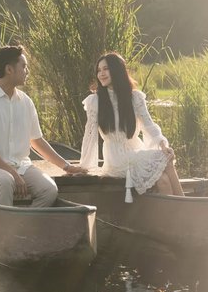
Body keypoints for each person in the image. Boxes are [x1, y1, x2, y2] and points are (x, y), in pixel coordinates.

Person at [0, 45, 86, 207]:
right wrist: (12, 173)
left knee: (49, 189)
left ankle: (25, 226)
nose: (27, 71)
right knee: (4, 181)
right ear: (9, 69)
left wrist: (66, 166)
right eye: (23, 66)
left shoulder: (26, 102)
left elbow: (37, 141)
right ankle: (2, 231)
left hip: (21, 166)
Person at [79, 52, 185, 201]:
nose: (101, 74)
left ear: (117, 70)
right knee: (165, 159)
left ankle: (176, 215)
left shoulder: (135, 97)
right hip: (116, 158)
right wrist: (84, 165)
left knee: (164, 179)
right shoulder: (95, 101)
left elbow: (149, 125)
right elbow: (89, 136)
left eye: (105, 69)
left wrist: (162, 145)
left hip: (135, 151)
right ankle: (186, 205)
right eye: (99, 70)